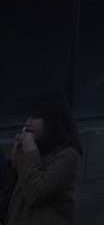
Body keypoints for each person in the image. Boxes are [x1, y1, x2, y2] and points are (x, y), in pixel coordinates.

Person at [4, 94, 82, 225]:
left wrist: (30, 152)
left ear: (51, 120)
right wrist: (14, 162)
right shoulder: (37, 149)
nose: (27, 122)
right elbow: (14, 190)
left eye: (34, 117)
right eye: (28, 116)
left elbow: (36, 193)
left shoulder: (69, 155)